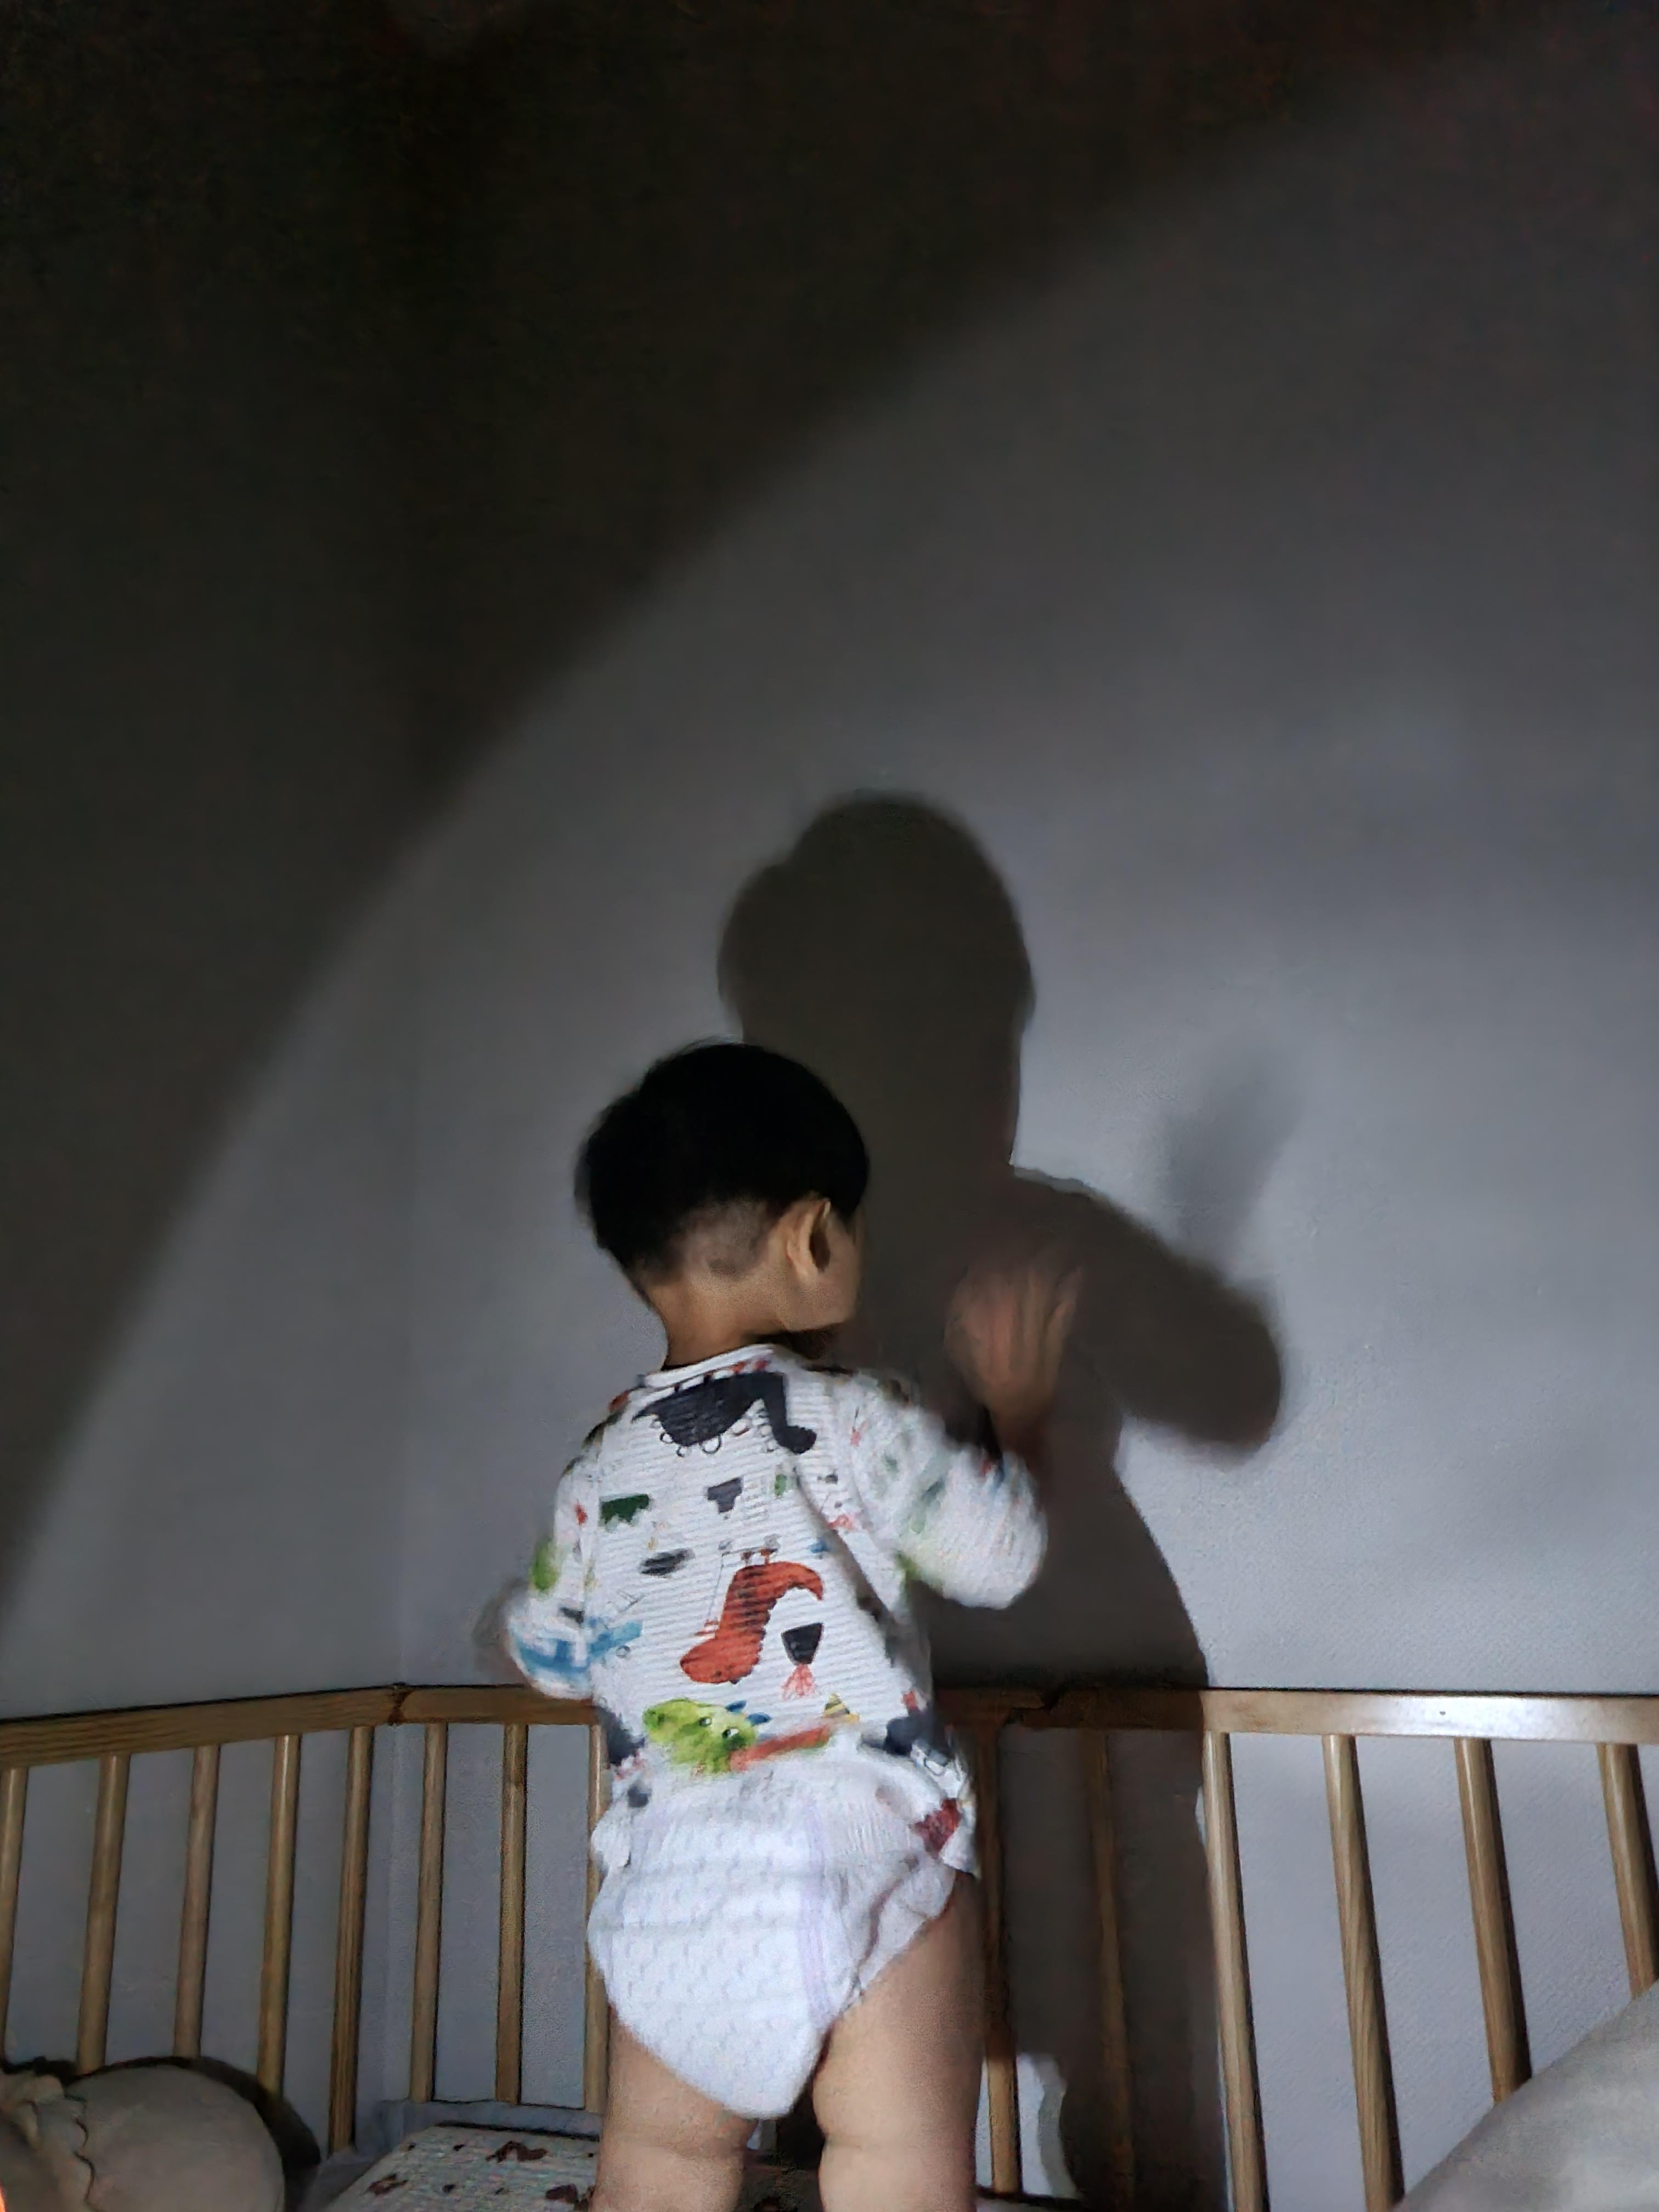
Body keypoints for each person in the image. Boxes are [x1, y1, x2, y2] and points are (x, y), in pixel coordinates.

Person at [501, 1041, 1076, 2212]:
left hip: (677, 1884)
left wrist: (513, 1627)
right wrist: (1018, 1416)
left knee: (662, 2165)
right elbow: (1001, 1555)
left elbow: (549, 1655)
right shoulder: (858, 1414)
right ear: (814, 1236)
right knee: (895, 2162)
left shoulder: (599, 1466)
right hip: (858, 1852)